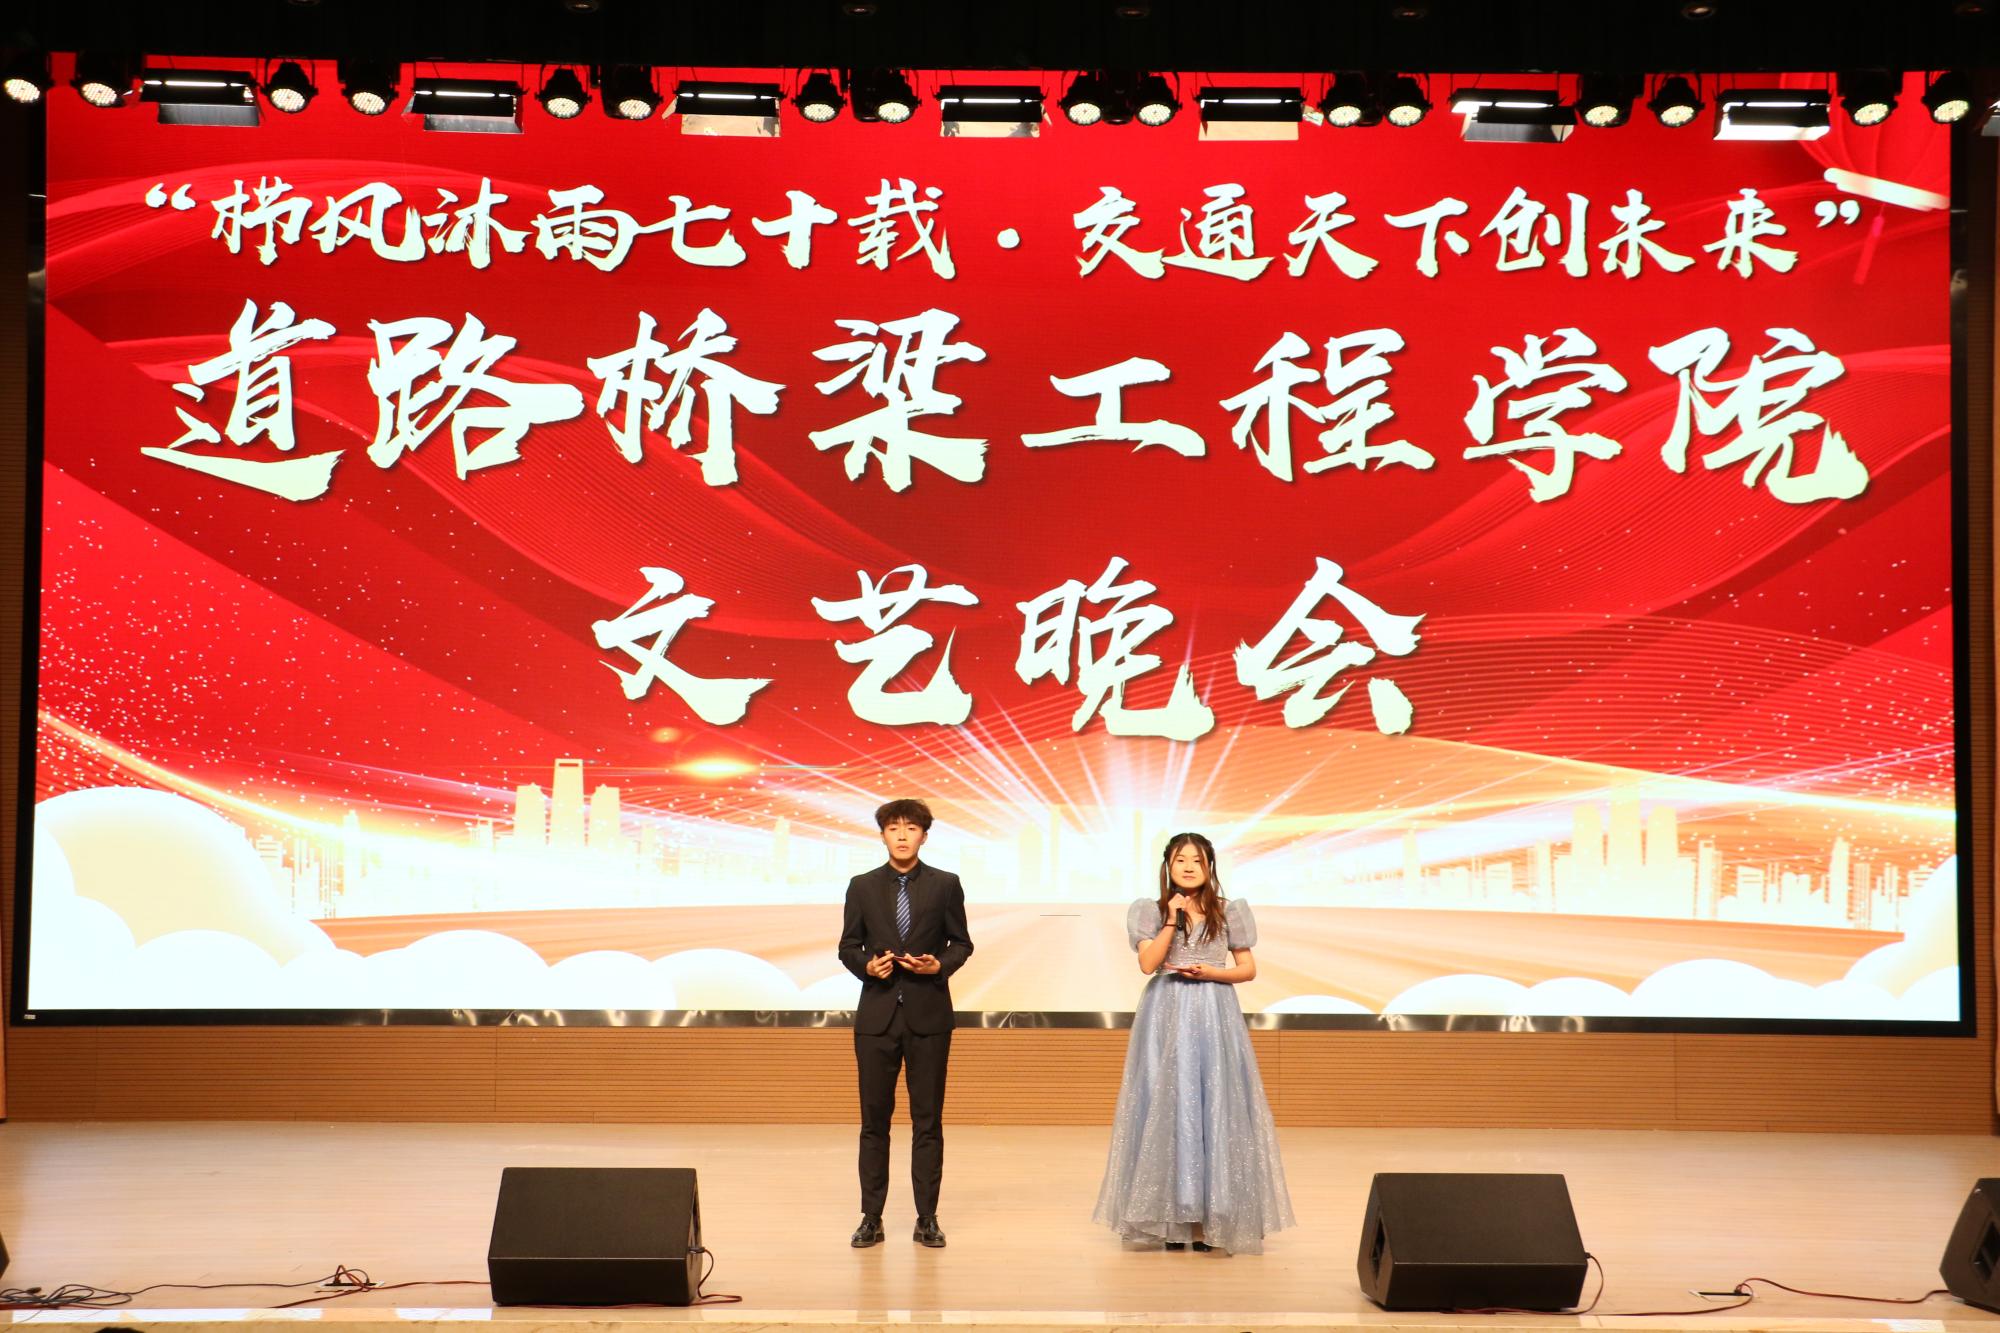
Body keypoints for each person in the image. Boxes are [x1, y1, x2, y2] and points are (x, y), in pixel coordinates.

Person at [1093, 831, 1294, 1255]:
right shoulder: (1150, 910)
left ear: (1210, 867)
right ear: (1168, 865)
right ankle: (1170, 1218)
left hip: (1214, 1011)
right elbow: (1148, 963)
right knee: (1166, 1107)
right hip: (1165, 1013)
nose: (1188, 867)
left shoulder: (1229, 910)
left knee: (1213, 1106)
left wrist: (1211, 972)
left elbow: (1247, 968)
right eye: (1180, 860)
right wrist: (1172, 918)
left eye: (1197, 860)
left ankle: (1207, 1220)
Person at [837, 797, 974, 1250]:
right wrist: (865, 966)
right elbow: (848, 946)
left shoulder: (945, 884)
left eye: (911, 828)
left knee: (927, 1121)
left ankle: (927, 1218)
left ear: (924, 836)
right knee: (873, 1122)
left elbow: (961, 943)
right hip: (876, 1018)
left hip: (929, 1016)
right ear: (882, 835)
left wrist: (939, 965)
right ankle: (870, 1218)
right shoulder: (862, 886)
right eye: (893, 827)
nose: (901, 834)